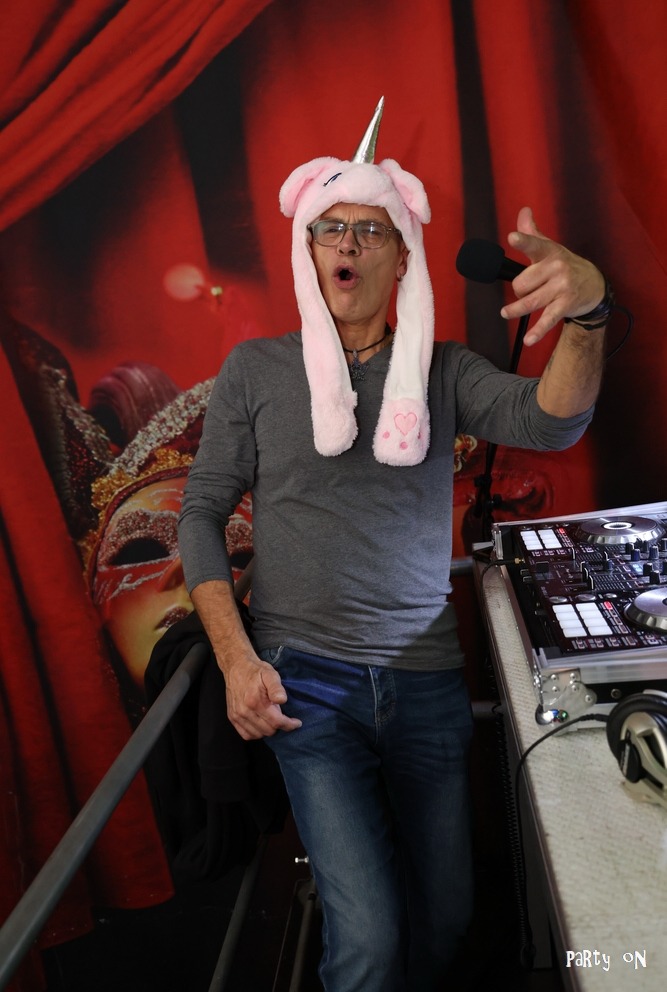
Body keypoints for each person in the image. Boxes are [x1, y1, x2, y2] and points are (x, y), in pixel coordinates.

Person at [178, 100, 610, 992]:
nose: (347, 242)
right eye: (329, 227)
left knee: (446, 918)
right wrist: (235, 659)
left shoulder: (444, 371)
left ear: (401, 256)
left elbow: (553, 423)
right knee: (369, 941)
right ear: (307, 250)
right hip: (305, 684)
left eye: (370, 230)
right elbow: (200, 513)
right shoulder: (255, 370)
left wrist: (589, 313)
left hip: (425, 681)